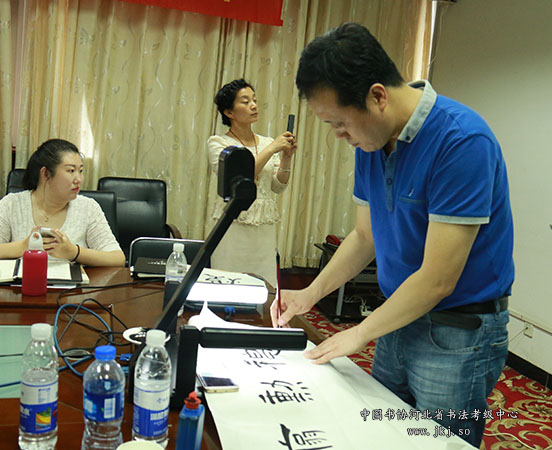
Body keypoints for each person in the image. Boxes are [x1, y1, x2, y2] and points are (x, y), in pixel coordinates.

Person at [271, 22, 513, 448]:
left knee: (437, 441)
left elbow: (437, 280)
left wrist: (359, 332)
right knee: (384, 434)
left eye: (340, 123)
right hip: (396, 316)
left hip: (456, 331)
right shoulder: (372, 141)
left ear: (378, 96)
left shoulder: (461, 141)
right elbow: (365, 236)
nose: (339, 136)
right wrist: (310, 293)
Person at [0, 139, 125, 267]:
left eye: (81, 171)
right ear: (45, 174)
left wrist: (74, 252)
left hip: (71, 293)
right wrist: (23, 247)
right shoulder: (12, 204)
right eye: (71, 171)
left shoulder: (88, 207)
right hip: (20, 289)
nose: (79, 179)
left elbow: (117, 258)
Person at [208, 78, 297, 286]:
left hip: (263, 232)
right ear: (229, 112)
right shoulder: (219, 143)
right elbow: (238, 175)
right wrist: (272, 149)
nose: (254, 105)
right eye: (245, 101)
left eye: (254, 100)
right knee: (227, 285)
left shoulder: (266, 142)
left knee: (263, 288)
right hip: (232, 226)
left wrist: (286, 158)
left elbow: (278, 186)